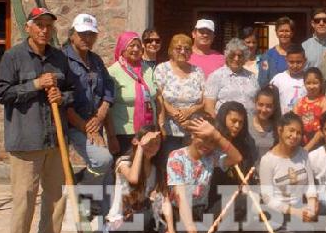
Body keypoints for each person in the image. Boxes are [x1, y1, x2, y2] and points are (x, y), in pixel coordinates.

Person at [0, 7, 74, 233]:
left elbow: (73, 91)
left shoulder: (59, 58)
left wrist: (62, 97)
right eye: (39, 25)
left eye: (48, 26)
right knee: (24, 199)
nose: (44, 30)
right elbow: (2, 93)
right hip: (26, 141)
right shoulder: (13, 57)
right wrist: (35, 84)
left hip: (55, 139)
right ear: (28, 27)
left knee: (55, 196)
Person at [165, 115, 243, 233]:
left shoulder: (211, 157)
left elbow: (237, 158)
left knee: (240, 199)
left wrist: (217, 135)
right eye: (204, 138)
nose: (207, 145)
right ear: (193, 134)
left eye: (212, 141)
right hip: (180, 212)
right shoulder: (176, 157)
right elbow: (181, 199)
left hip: (201, 211)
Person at [62, 13, 115, 217]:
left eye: (91, 34)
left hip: (95, 122)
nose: (87, 38)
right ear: (72, 35)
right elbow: (65, 102)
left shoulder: (95, 60)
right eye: (82, 34)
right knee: (102, 160)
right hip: (74, 124)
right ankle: (83, 190)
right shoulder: (63, 59)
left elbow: (108, 88)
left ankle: (105, 226)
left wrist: (101, 113)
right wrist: (87, 128)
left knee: (106, 176)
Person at [107, 125, 166, 233]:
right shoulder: (123, 162)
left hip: (140, 219)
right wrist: (141, 147)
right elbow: (133, 179)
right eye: (148, 142)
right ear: (136, 142)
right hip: (119, 225)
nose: (153, 146)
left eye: (156, 142)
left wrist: (171, 230)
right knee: (145, 212)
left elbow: (157, 199)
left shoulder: (155, 169)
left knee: (160, 203)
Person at [258, 113, 320, 233]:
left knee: (313, 225)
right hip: (277, 211)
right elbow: (268, 198)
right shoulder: (267, 160)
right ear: (280, 130)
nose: (294, 135)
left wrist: (312, 203)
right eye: (291, 130)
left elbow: (310, 185)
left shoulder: (303, 154)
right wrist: (295, 212)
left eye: (298, 132)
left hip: (299, 208)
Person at [210, 101, 261, 233]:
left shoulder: (246, 143)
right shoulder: (210, 142)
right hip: (212, 200)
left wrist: (248, 187)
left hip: (235, 195)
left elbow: (248, 172)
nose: (237, 125)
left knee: (254, 199)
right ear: (223, 119)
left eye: (241, 122)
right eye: (233, 121)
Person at [154, 34, 205, 176]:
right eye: (178, 48)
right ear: (171, 50)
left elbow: (204, 100)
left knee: (191, 167)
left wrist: (190, 111)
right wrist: (175, 114)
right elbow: (159, 97)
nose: (183, 52)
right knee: (170, 167)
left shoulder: (198, 71)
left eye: (187, 49)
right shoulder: (162, 69)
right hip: (170, 130)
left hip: (193, 129)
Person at [108, 32, 158, 156]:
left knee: (146, 171)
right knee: (126, 170)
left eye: (138, 46)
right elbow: (106, 107)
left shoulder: (148, 69)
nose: (136, 49)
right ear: (122, 49)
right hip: (124, 134)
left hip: (149, 131)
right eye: (131, 46)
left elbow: (156, 98)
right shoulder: (112, 72)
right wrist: (111, 136)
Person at [204, 38, 258, 119]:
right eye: (233, 55)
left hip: (249, 126)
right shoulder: (217, 76)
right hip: (225, 127)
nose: (236, 59)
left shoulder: (251, 76)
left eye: (240, 56)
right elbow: (209, 107)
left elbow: (257, 101)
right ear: (227, 55)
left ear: (245, 58)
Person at [293, 67, 326, 151]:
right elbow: (293, 125)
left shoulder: (325, 102)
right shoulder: (299, 103)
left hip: (320, 146)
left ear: (321, 83)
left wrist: (308, 148)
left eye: (315, 83)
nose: (311, 86)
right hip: (300, 145)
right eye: (308, 83)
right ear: (304, 83)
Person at [270, 43, 307, 115]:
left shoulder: (309, 79)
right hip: (284, 123)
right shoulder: (278, 79)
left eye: (299, 62)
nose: (295, 65)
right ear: (286, 60)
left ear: (305, 60)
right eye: (291, 62)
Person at [258, 16, 294, 87]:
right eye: (281, 31)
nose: (284, 34)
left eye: (287, 31)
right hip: (274, 95)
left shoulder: (298, 52)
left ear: (292, 33)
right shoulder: (268, 56)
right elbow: (263, 81)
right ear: (276, 33)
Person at [249, 86, 280, 166]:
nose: (264, 109)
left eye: (269, 106)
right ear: (255, 103)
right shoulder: (245, 124)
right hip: (247, 176)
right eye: (260, 105)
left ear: (274, 107)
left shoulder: (279, 128)